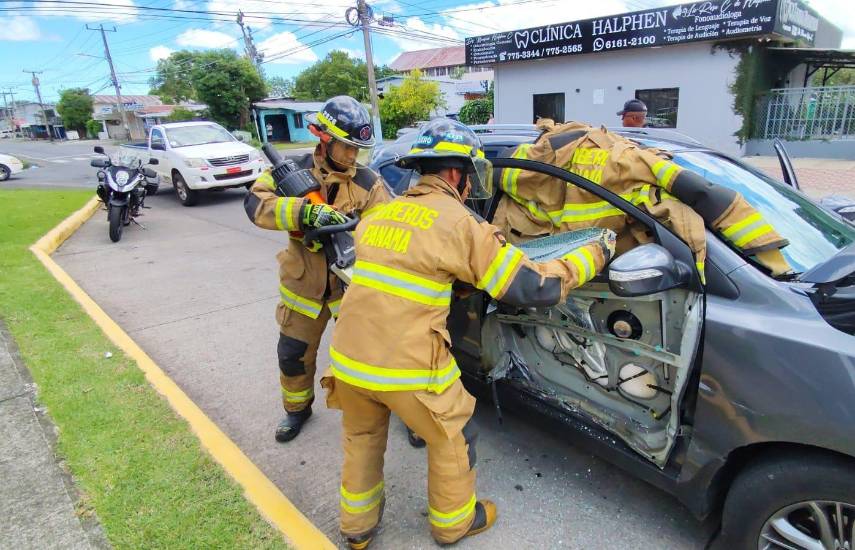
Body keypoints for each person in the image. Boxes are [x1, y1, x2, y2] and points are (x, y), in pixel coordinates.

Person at [320, 119, 616, 549]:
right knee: (453, 435)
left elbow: (411, 269)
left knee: (362, 438)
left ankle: (357, 529)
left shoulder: (380, 214)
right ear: (456, 173)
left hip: (348, 358)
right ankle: (454, 524)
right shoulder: (460, 224)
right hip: (406, 368)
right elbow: (535, 287)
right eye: (470, 176)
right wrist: (595, 253)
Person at [244, 95, 391, 443]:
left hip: (350, 289)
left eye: (357, 149)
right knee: (293, 356)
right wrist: (303, 213)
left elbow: (386, 232)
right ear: (324, 139)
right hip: (303, 288)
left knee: (374, 355)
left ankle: (396, 409)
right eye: (346, 146)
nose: (353, 156)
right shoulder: (290, 169)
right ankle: (297, 410)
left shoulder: (369, 182)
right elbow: (255, 204)